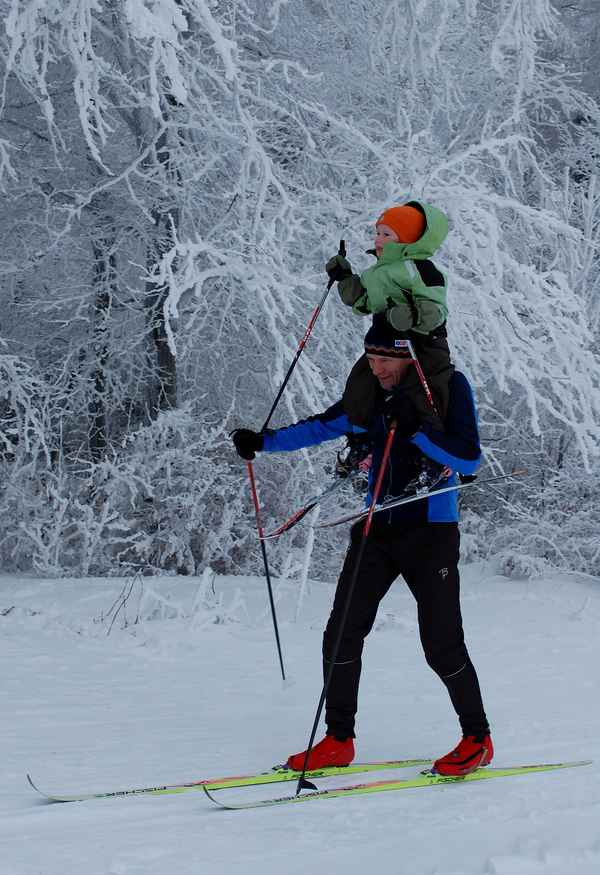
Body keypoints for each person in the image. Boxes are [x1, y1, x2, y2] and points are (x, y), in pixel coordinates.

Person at [231, 318, 493, 778]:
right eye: (370, 358)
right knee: (341, 633)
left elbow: (469, 459)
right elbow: (322, 427)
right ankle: (338, 739)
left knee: (441, 643)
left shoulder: (448, 389)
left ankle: (477, 739)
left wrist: (417, 431)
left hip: (430, 531)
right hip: (376, 528)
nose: (376, 368)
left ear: (409, 358)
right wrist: (263, 442)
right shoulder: (369, 395)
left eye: (385, 359)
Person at [326, 201, 454, 433]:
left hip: (426, 343)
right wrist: (344, 277)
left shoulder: (422, 269)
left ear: (408, 239)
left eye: (386, 234)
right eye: (377, 232)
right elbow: (362, 302)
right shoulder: (376, 272)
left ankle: (434, 444)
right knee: (360, 387)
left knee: (427, 391)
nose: (378, 239)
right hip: (387, 346)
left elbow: (437, 310)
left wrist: (412, 314)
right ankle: (360, 440)